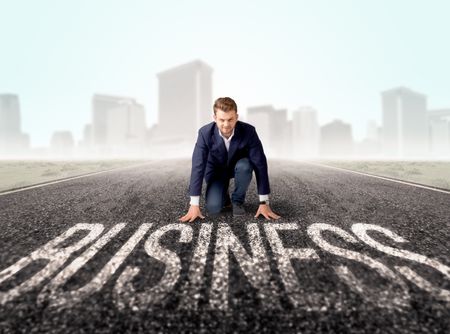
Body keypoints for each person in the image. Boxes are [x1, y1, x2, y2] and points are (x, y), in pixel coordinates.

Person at [179, 97, 281, 223]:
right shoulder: (204, 133)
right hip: (215, 170)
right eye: (222, 120)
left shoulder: (249, 131)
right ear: (215, 118)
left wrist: (264, 202)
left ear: (236, 117)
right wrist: (193, 205)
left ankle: (237, 200)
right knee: (214, 207)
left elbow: (260, 164)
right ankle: (224, 196)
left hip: (238, 167)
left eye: (230, 119)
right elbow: (198, 166)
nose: (226, 124)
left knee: (245, 166)